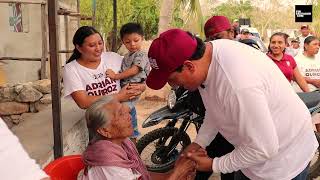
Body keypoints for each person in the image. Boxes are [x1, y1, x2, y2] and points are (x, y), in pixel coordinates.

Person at [146, 29, 318, 180]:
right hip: (254, 152)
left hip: (282, 160)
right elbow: (216, 109)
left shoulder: (238, 85)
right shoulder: (209, 54)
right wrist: (199, 143)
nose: (174, 86)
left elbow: (265, 149)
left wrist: (214, 165)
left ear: (189, 66)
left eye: (173, 81)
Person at [79, 96, 196, 180]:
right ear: (105, 130)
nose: (129, 116)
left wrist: (171, 175)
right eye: (120, 114)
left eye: (126, 111)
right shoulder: (109, 164)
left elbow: (140, 175)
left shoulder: (121, 145)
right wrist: (177, 174)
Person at [62, 26, 145, 110]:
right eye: (92, 45)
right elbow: (83, 102)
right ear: (79, 48)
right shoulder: (71, 69)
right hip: (99, 119)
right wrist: (119, 97)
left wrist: (142, 86)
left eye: (100, 43)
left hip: (126, 114)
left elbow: (137, 74)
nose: (98, 48)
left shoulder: (113, 57)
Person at [106, 23, 150, 139]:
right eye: (128, 42)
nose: (132, 44)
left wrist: (115, 76)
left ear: (142, 38)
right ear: (123, 42)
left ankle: (129, 136)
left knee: (123, 112)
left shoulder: (141, 55)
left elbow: (135, 70)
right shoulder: (126, 56)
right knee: (121, 113)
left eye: (136, 40)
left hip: (133, 88)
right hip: (125, 89)